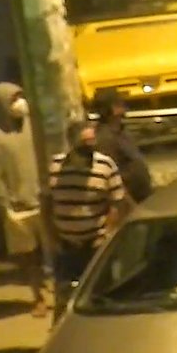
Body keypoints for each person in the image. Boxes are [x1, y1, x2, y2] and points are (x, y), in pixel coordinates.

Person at [45, 121, 131, 323]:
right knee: (64, 300)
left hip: (95, 246)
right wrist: (52, 238)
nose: (90, 147)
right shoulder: (56, 166)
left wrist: (107, 234)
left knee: (99, 298)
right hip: (65, 247)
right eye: (85, 142)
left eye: (92, 141)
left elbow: (116, 204)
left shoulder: (105, 166)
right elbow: (47, 204)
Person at [0, 82, 50, 318]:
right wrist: (4, 208)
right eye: (13, 99)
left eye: (20, 96)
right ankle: (38, 297)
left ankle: (57, 292)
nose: (19, 103)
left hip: (43, 201)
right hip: (19, 208)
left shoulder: (32, 126)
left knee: (54, 252)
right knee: (29, 258)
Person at [93, 89, 153, 203]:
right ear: (108, 109)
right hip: (129, 202)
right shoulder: (104, 138)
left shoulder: (122, 132)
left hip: (143, 197)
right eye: (118, 103)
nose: (124, 106)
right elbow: (112, 177)